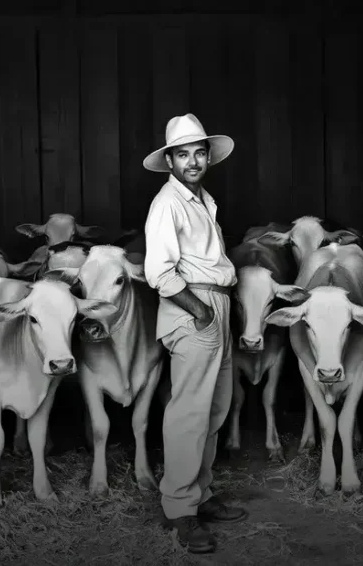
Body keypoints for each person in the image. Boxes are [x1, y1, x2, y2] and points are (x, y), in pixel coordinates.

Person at [142, 113, 248, 554]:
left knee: (215, 408)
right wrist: (201, 311)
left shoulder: (202, 200)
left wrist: (220, 308)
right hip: (194, 307)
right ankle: (181, 510)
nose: (192, 160)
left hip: (215, 303)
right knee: (189, 410)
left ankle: (199, 494)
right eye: (182, 154)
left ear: (208, 157)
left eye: (198, 153)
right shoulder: (167, 203)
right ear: (170, 161)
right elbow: (157, 271)